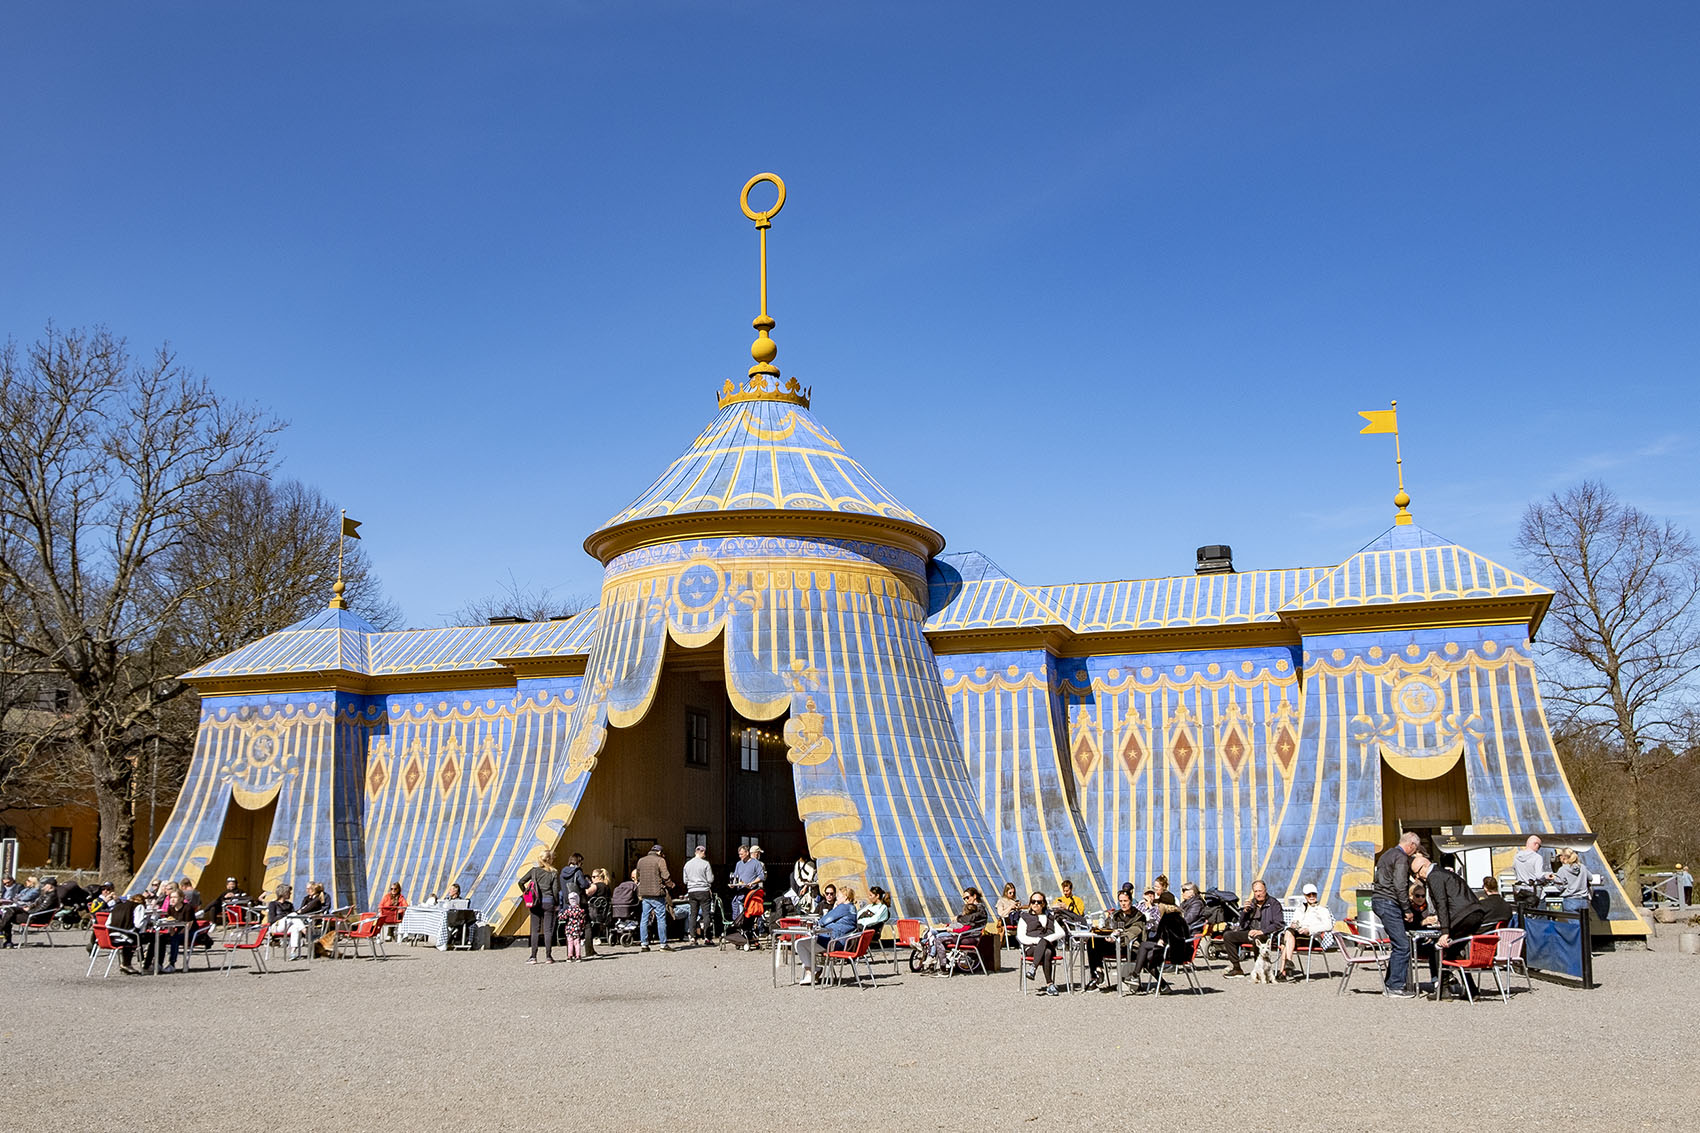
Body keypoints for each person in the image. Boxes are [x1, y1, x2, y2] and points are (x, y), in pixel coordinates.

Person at [1371, 831, 1422, 998]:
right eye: (1415, 850)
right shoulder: (1401, 858)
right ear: (1411, 845)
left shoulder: (1386, 855)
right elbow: (1400, 886)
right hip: (1389, 902)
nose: (1414, 853)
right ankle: (1395, 986)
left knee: (1398, 944)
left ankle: (1390, 984)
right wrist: (1407, 909)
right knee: (1402, 945)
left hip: (1380, 900)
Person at [1220, 879, 1283, 979]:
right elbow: (1242, 925)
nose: (1258, 894)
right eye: (1255, 891)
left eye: (1260, 891)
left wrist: (1262, 931)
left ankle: (1260, 970)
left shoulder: (1274, 904)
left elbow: (1279, 924)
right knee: (1228, 935)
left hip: (1266, 935)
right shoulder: (1251, 904)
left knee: (1257, 938)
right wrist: (1245, 912)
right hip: (1251, 932)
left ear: (1265, 890)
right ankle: (1237, 968)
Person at [795, 890, 858, 984]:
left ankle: (811, 972)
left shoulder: (843, 907)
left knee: (800, 944)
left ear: (845, 897)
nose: (836, 898)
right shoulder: (852, 908)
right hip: (843, 941)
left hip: (833, 942)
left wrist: (817, 924)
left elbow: (825, 920)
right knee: (806, 943)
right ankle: (814, 969)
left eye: (839, 896)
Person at [923, 887, 989, 972]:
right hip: (964, 934)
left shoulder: (979, 909)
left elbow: (967, 921)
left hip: (969, 936)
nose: (965, 900)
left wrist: (957, 919)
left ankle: (943, 968)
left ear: (974, 896)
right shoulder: (971, 908)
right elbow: (962, 923)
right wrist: (948, 925)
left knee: (938, 938)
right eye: (964, 898)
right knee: (933, 933)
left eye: (967, 897)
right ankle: (930, 962)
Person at [1279, 884, 1335, 980]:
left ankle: (1282, 971)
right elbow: (1295, 921)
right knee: (1288, 934)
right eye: (1309, 895)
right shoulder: (1300, 909)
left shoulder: (1322, 909)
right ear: (1305, 896)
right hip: (1297, 935)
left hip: (1311, 937)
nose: (1312, 896)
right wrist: (1295, 925)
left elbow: (1329, 926)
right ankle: (1286, 967)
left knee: (1286, 939)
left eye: (1314, 894)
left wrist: (1309, 930)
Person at [1095, 888, 1146, 989]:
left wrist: (1117, 937)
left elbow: (1133, 933)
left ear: (1131, 901)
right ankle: (1097, 972)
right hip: (1114, 944)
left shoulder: (1139, 916)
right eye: (1121, 901)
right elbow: (1107, 927)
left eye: (1125, 901)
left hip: (1129, 946)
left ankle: (1130, 980)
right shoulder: (1115, 915)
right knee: (1094, 941)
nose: (1123, 904)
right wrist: (1106, 932)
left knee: (1126, 944)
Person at [1016, 892, 1066, 996]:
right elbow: (1021, 936)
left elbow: (1062, 932)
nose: (1035, 904)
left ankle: (1033, 968)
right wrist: (1037, 941)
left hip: (1048, 946)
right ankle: (1050, 985)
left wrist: (1045, 940)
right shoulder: (1024, 917)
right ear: (1030, 903)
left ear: (1043, 904)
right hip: (1031, 947)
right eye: (1033, 901)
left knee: (1046, 948)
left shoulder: (1050, 917)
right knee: (1046, 951)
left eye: (1039, 902)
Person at [518, 854, 560, 964]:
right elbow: (555, 890)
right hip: (549, 901)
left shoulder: (534, 871)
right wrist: (556, 903)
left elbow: (521, 882)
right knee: (548, 930)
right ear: (550, 860)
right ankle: (548, 957)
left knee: (535, 930)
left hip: (535, 902)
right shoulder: (553, 873)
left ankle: (533, 957)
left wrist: (525, 892)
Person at [635, 843, 674, 952]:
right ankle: (663, 944)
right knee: (661, 918)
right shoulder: (660, 860)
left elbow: (638, 876)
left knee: (644, 918)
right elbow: (666, 876)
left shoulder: (641, 861)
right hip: (657, 893)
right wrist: (671, 885)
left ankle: (644, 944)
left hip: (645, 893)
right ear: (659, 852)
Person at [0, 878, 58, 947]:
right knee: (10, 910)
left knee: (7, 917)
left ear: (50, 886)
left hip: (37, 918)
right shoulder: (45, 894)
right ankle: (7, 941)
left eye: (44, 885)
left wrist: (28, 911)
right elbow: (36, 903)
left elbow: (41, 909)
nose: (42, 886)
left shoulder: (52, 896)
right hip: (32, 914)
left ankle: (8, 940)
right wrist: (29, 907)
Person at [683, 845, 716, 945]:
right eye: (704, 853)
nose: (705, 855)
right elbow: (710, 879)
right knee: (706, 914)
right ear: (702, 852)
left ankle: (693, 937)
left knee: (693, 914)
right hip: (703, 890)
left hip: (692, 891)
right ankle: (707, 937)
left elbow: (685, 881)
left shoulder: (687, 864)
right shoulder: (706, 864)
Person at [1552, 849, 1591, 914]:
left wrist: (1554, 879)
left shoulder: (1562, 869)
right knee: (1583, 922)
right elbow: (1590, 878)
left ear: (1563, 857)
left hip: (1570, 900)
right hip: (1584, 900)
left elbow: (1560, 886)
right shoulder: (1583, 867)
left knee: (1574, 923)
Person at [562, 891, 589, 961]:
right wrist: (582, 927)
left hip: (569, 928)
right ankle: (578, 956)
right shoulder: (580, 910)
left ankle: (569, 956)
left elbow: (563, 917)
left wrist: (560, 915)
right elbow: (583, 919)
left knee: (570, 942)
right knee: (577, 942)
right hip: (577, 928)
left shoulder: (568, 910)